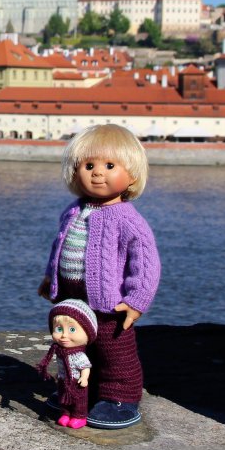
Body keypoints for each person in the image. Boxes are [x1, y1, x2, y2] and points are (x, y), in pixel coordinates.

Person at [38, 124, 160, 429]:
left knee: (114, 349)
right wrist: (50, 278)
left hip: (110, 301)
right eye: (89, 166)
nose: (97, 174)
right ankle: (81, 389)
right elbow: (60, 247)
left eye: (109, 166)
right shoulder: (73, 211)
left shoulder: (128, 219)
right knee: (77, 345)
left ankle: (120, 396)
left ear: (132, 175)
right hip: (72, 295)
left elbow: (145, 263)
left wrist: (136, 300)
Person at [37, 299, 97, 429]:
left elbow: (85, 367)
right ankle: (65, 413)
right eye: (59, 329)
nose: (64, 335)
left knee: (78, 400)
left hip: (76, 381)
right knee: (63, 399)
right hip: (63, 380)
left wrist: (84, 378)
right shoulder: (59, 351)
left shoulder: (78, 355)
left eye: (72, 329)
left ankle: (79, 416)